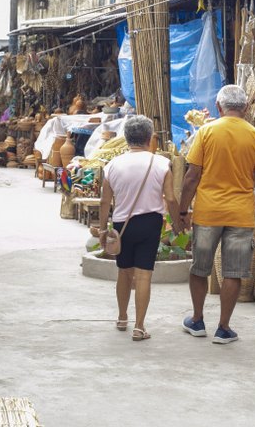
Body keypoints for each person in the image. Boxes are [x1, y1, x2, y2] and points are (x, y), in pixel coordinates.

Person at [178, 85, 255, 344]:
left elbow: (191, 177)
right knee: (233, 272)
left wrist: (182, 210)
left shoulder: (206, 132)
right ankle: (223, 327)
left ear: (219, 107)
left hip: (208, 212)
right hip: (240, 216)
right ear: (245, 108)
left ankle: (197, 320)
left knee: (200, 268)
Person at [94, 116, 181, 341]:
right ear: (149, 138)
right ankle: (139, 326)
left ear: (127, 138)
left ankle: (122, 318)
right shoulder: (161, 164)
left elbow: (105, 201)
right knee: (143, 276)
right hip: (151, 223)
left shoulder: (113, 164)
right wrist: (178, 222)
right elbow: (170, 198)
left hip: (122, 225)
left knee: (124, 272)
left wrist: (103, 230)